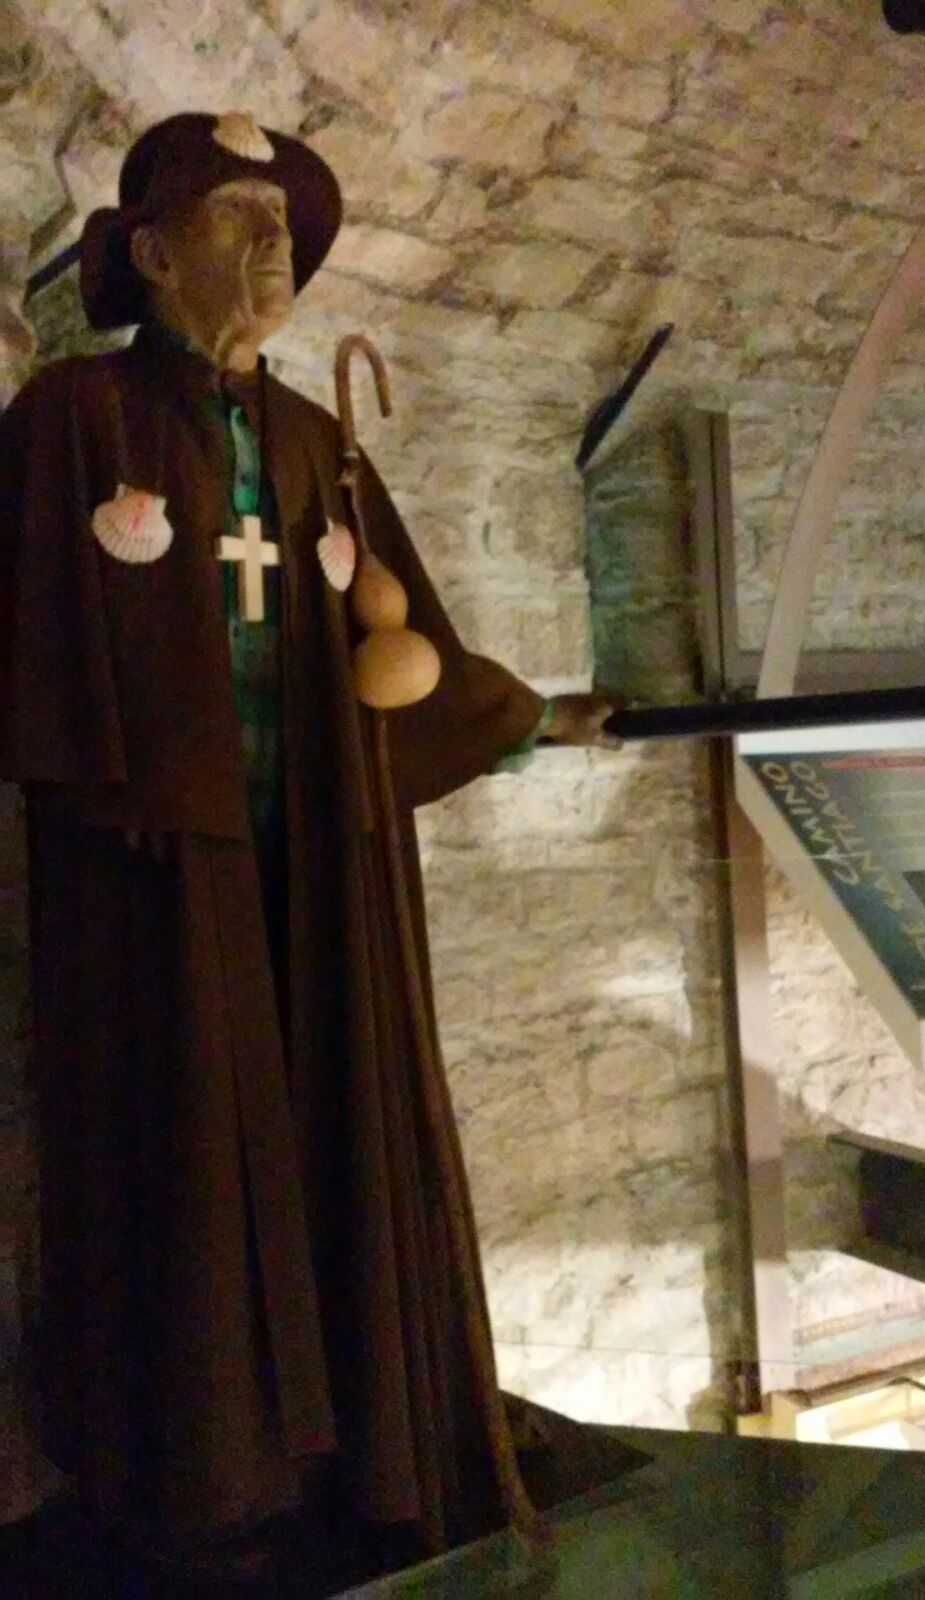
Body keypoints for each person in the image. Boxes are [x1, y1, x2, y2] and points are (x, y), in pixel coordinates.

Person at [0, 110, 617, 1585]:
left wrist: (529, 717)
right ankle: (203, 1474)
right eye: (238, 217)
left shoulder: (310, 440)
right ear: (154, 255)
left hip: (317, 866)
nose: (275, 243)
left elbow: (398, 647)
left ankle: (360, 1445)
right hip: (154, 877)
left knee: (336, 1117)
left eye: (286, 221)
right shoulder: (74, 416)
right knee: (182, 1152)